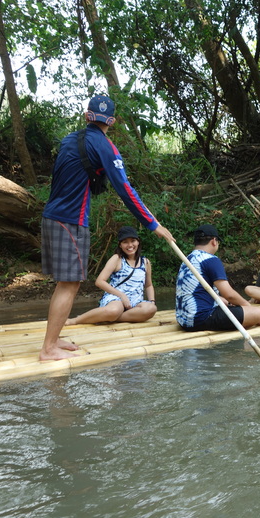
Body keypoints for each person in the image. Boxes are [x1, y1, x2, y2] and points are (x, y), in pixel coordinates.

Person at [40, 95, 173, 361]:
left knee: (65, 284)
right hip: (70, 220)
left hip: (52, 216)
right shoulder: (105, 147)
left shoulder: (68, 140)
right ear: (111, 121)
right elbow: (126, 190)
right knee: (69, 285)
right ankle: (48, 349)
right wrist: (152, 223)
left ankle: (52, 340)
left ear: (87, 115)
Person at [175, 224, 260, 331]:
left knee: (224, 301)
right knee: (258, 313)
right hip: (200, 319)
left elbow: (200, 292)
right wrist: (248, 307)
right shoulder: (210, 259)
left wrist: (226, 301)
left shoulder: (187, 259)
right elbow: (229, 295)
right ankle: (257, 320)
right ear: (214, 241)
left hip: (183, 320)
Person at [65, 226, 156, 325]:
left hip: (136, 301)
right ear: (120, 245)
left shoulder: (145, 262)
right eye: (125, 242)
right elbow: (100, 281)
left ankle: (114, 318)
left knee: (151, 308)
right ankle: (76, 320)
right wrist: (122, 295)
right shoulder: (117, 259)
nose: (130, 245)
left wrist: (152, 300)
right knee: (113, 311)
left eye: (133, 241)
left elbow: (148, 285)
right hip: (116, 298)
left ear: (138, 242)